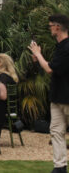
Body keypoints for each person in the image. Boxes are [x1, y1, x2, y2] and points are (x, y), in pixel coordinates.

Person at [29, 13, 69, 173]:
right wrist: (38, 58)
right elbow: (51, 67)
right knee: (56, 131)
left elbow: (50, 69)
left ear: (57, 27)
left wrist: (38, 54)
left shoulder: (67, 47)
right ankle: (60, 167)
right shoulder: (60, 47)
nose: (49, 29)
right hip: (57, 96)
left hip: (67, 97)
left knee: (57, 131)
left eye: (50, 26)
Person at [0, 52, 18, 141]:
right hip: (10, 107)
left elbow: (2, 96)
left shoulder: (3, 77)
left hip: (2, 108)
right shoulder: (10, 76)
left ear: (1, 63)